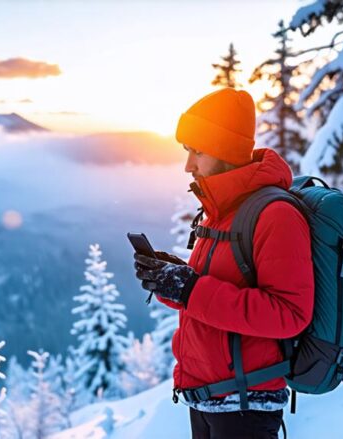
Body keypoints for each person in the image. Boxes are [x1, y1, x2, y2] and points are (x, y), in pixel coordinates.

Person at [134, 88, 315, 439]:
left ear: (224, 149)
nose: (188, 165)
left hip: (246, 405)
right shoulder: (222, 211)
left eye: (196, 151)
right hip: (210, 397)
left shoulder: (275, 216)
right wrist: (171, 279)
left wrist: (189, 288)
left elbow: (289, 314)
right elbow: (211, 296)